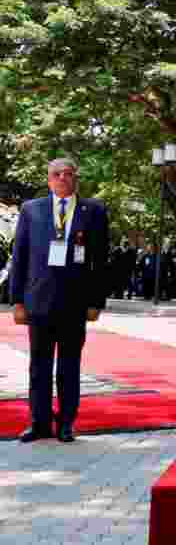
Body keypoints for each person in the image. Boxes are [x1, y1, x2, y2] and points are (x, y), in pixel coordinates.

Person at [9, 157, 110, 442]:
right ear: (48, 179)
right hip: (38, 300)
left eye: (69, 173)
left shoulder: (94, 210)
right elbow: (20, 256)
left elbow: (100, 261)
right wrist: (17, 300)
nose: (63, 178)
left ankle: (66, 422)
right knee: (38, 366)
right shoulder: (32, 210)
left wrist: (95, 302)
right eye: (57, 173)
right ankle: (39, 423)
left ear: (76, 178)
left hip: (75, 302)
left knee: (69, 365)